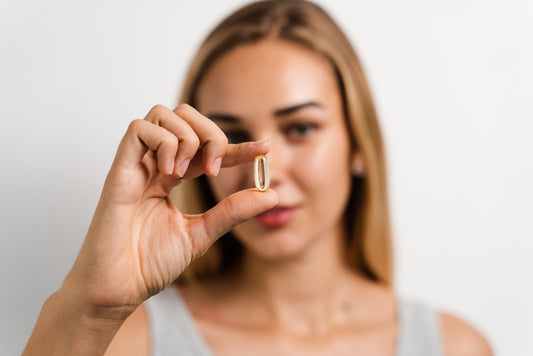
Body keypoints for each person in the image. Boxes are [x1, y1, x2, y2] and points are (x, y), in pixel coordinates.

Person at [23, 1, 493, 355]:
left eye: (301, 128)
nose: (264, 178)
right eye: (232, 135)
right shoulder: (129, 341)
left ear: (358, 146)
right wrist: (93, 307)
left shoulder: (453, 346)